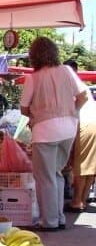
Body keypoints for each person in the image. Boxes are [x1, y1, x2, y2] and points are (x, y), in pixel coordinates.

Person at [19, 37, 88, 230]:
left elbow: (23, 108)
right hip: (68, 129)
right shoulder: (67, 71)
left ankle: (49, 222)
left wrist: (36, 114)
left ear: (34, 56)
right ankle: (59, 218)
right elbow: (83, 96)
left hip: (44, 131)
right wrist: (72, 111)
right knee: (57, 173)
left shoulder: (33, 78)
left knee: (45, 177)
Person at [63, 59, 96, 212]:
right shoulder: (82, 84)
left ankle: (77, 201)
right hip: (93, 122)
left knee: (80, 166)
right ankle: (81, 201)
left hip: (85, 124)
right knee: (90, 166)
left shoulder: (70, 84)